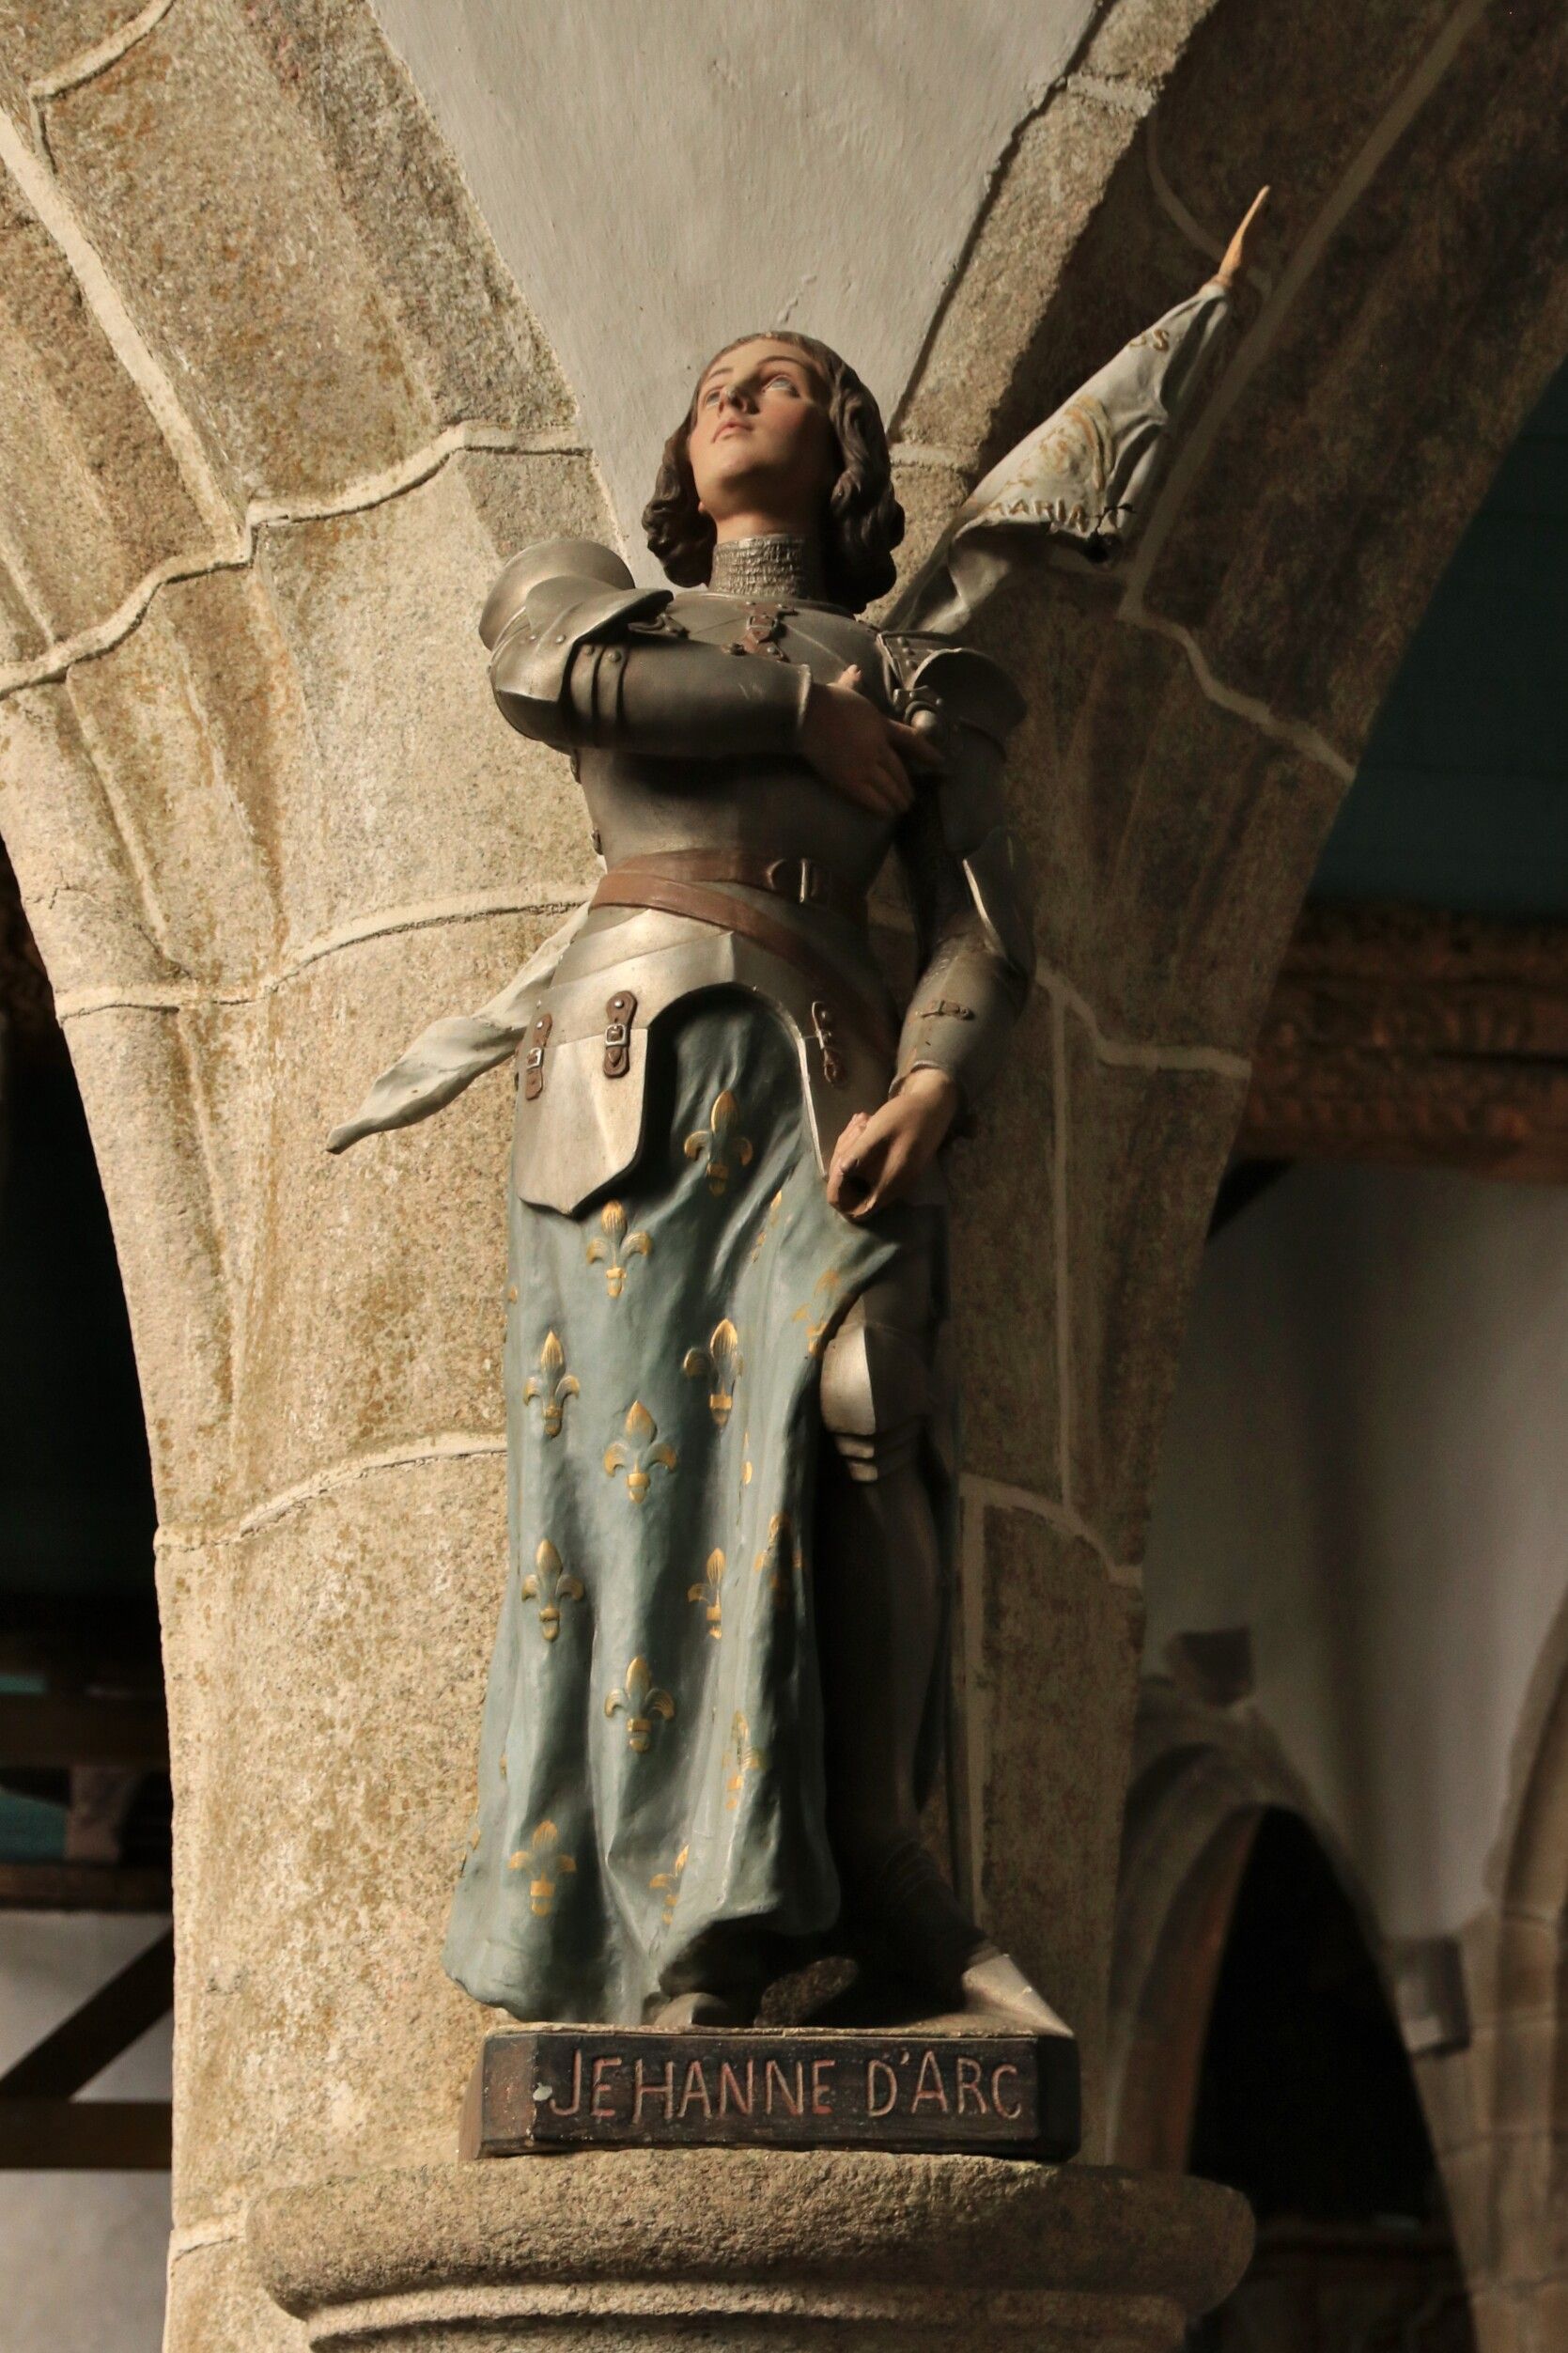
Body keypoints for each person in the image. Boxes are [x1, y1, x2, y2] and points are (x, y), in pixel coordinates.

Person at [330, 195, 1268, 2034]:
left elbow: (979, 920)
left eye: (782, 384)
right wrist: (791, 704)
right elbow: (551, 681)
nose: (738, 396)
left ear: (840, 455)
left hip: (832, 1078)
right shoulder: (594, 590)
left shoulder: (912, 669)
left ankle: (883, 1861)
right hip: (632, 1079)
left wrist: (936, 1077)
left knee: (864, 1405)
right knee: (640, 1492)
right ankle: (681, 1926)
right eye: (719, 384)